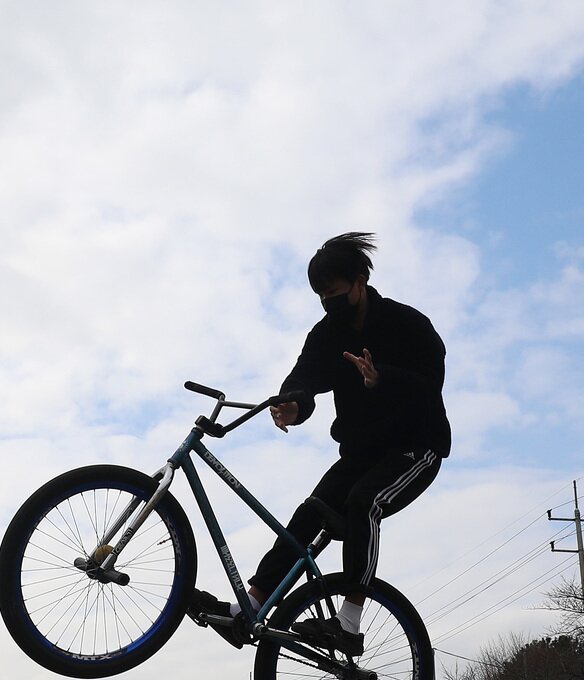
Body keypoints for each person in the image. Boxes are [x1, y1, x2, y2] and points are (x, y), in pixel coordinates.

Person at [190, 233, 450, 656]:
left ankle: (348, 623)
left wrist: (382, 377)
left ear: (360, 282)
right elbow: (305, 376)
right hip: (361, 453)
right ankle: (249, 606)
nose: (328, 302)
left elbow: (430, 382)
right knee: (310, 511)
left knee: (364, 501)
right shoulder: (328, 334)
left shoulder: (407, 324)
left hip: (415, 449)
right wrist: (294, 403)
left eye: (334, 292)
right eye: (320, 295)